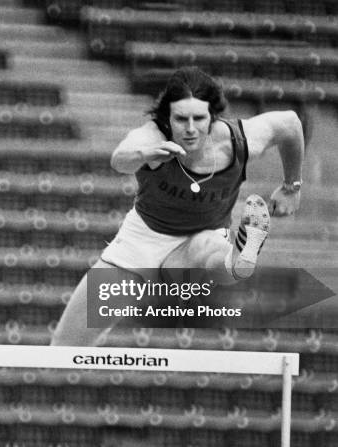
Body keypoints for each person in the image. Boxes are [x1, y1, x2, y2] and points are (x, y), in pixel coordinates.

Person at [51, 67, 304, 346]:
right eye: (181, 119)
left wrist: (292, 186)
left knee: (209, 249)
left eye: (200, 118)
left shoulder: (240, 142)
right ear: (168, 118)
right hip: (140, 246)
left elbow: (290, 123)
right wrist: (143, 154)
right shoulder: (153, 137)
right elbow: (119, 159)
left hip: (197, 244)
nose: (191, 128)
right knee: (64, 349)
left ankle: (240, 258)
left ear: (214, 116)